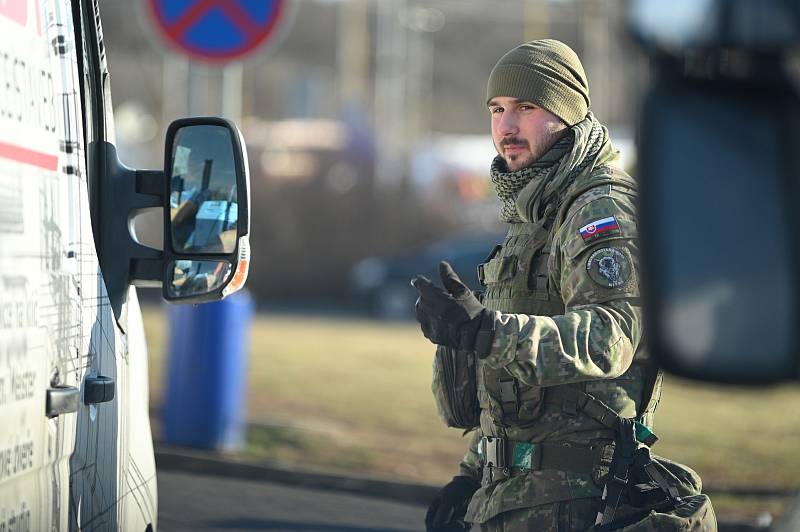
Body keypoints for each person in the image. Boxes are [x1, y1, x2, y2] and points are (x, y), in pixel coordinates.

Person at [412, 40, 712, 531]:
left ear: (567, 114)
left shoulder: (598, 207)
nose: (506, 127)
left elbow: (610, 335)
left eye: (526, 108)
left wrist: (490, 331)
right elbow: (515, 391)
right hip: (513, 498)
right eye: (497, 109)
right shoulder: (536, 213)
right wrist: (472, 474)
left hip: (578, 505)